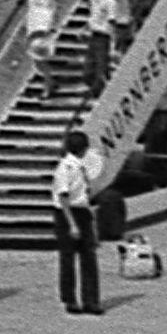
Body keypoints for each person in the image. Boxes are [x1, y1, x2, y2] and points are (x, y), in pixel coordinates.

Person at [48, 128, 107, 315]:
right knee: (68, 258)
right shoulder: (64, 168)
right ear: (83, 149)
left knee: (89, 256)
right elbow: (63, 197)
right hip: (67, 214)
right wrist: (72, 224)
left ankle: (91, 300)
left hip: (82, 211)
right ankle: (70, 299)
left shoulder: (80, 166)